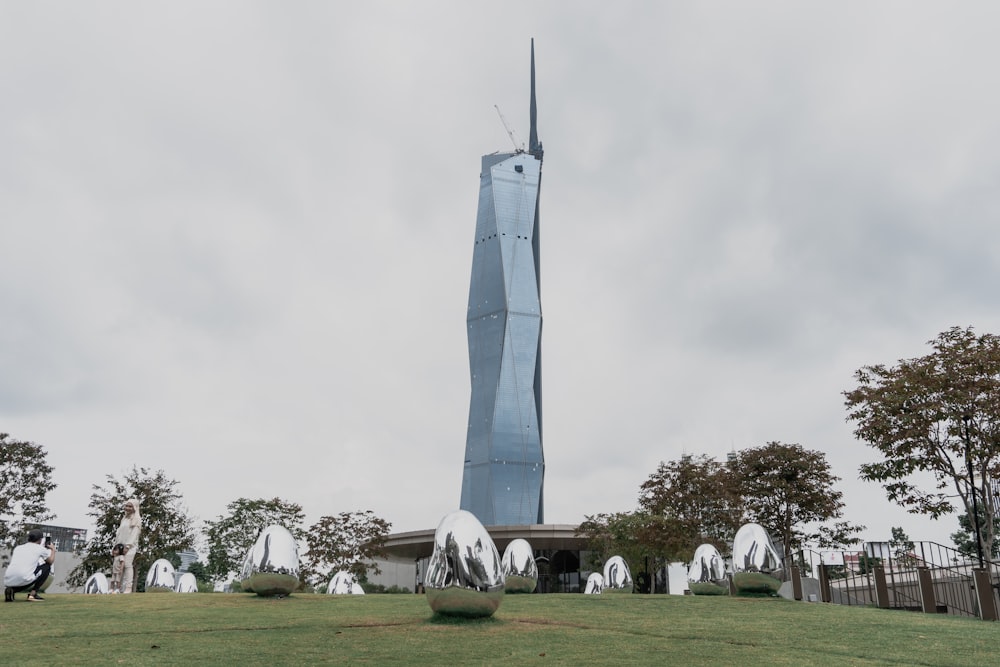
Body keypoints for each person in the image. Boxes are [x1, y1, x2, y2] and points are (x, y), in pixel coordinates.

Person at [4, 529, 56, 602]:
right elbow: (50, 561)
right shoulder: (40, 549)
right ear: (40, 540)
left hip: (8, 580)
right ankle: (33, 594)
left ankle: (12, 590)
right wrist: (53, 550)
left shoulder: (18, 548)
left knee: (24, 576)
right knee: (46, 567)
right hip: (24, 578)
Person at [110, 498, 141, 594]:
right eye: (126, 506)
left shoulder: (137, 519)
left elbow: (134, 534)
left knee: (127, 565)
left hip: (129, 547)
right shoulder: (124, 519)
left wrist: (128, 546)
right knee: (118, 567)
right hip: (119, 547)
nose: (127, 508)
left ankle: (128, 587)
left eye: (130, 506)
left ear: (134, 508)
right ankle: (117, 588)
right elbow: (119, 533)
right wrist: (115, 547)